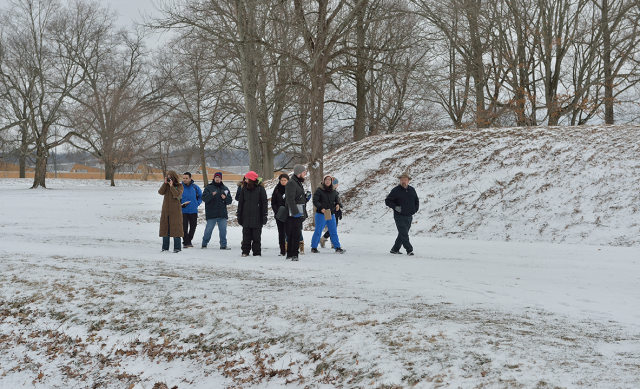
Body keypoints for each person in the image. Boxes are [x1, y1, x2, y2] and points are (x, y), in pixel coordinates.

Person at [385, 172, 419, 256]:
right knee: (404, 233)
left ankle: (395, 249)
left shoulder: (412, 189)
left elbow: (416, 200)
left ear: (408, 181)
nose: (403, 181)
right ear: (400, 180)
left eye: (405, 180)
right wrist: (395, 207)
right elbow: (388, 201)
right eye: (402, 180)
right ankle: (409, 250)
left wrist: (415, 209)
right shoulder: (396, 190)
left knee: (402, 233)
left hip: (409, 215)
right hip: (399, 215)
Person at [311, 175, 345, 254]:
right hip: (321, 213)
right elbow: (315, 201)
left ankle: (337, 247)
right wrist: (320, 207)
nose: (327, 181)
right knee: (318, 231)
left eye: (329, 180)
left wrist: (337, 205)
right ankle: (314, 247)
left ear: (331, 181)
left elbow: (337, 200)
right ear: (323, 181)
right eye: (326, 179)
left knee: (333, 231)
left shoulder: (333, 191)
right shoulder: (319, 190)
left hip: (330, 213)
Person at [237, 171, 268, 256]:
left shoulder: (260, 189)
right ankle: (245, 251)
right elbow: (241, 203)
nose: (245, 180)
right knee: (246, 236)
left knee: (256, 237)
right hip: (246, 216)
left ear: (251, 179)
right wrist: (239, 215)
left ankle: (257, 252)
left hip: (257, 217)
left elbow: (264, 203)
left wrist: (264, 215)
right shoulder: (244, 189)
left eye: (246, 178)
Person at [201, 172, 233, 249]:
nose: (217, 179)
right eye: (216, 177)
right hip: (211, 213)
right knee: (208, 230)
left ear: (221, 179)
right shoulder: (208, 188)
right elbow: (204, 199)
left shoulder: (225, 188)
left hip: (222, 214)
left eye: (219, 177)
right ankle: (204, 243)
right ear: (214, 178)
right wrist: (211, 195)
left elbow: (229, 201)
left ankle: (223, 245)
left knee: (223, 231)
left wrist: (225, 198)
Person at [285, 164, 308, 261]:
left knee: (293, 233)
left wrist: (306, 199)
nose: (305, 174)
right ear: (299, 173)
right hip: (294, 214)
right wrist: (295, 213)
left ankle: (290, 253)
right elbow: (290, 200)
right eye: (303, 172)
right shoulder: (291, 183)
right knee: (296, 234)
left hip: (297, 212)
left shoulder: (297, 182)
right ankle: (294, 254)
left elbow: (297, 198)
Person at [159, 170, 184, 253]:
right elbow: (160, 192)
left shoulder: (180, 186)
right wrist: (165, 183)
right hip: (166, 211)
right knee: (165, 229)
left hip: (175, 211)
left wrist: (172, 186)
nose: (170, 179)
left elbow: (177, 195)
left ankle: (177, 248)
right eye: (168, 177)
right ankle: (165, 248)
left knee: (176, 229)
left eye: (171, 177)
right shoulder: (166, 186)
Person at [181, 172, 202, 248]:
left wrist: (197, 203)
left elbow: (200, 196)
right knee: (184, 227)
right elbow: (176, 197)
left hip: (193, 211)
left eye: (186, 178)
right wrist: (181, 204)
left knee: (193, 227)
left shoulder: (195, 187)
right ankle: (185, 242)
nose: (185, 179)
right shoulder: (180, 187)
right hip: (184, 211)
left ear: (190, 179)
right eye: (183, 178)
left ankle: (189, 240)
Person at [271, 173, 289, 256]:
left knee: (289, 232)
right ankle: (282, 250)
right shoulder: (277, 189)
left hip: (289, 214)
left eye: (285, 180)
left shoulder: (290, 188)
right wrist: (276, 211)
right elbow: (273, 201)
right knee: (281, 233)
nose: (283, 182)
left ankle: (289, 248)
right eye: (281, 180)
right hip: (279, 214)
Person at [320, 178, 341, 248]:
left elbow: (337, 202)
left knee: (334, 227)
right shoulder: (328, 192)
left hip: (334, 211)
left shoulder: (335, 192)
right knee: (333, 227)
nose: (337, 185)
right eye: (336, 183)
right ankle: (324, 239)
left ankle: (331, 241)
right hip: (329, 211)